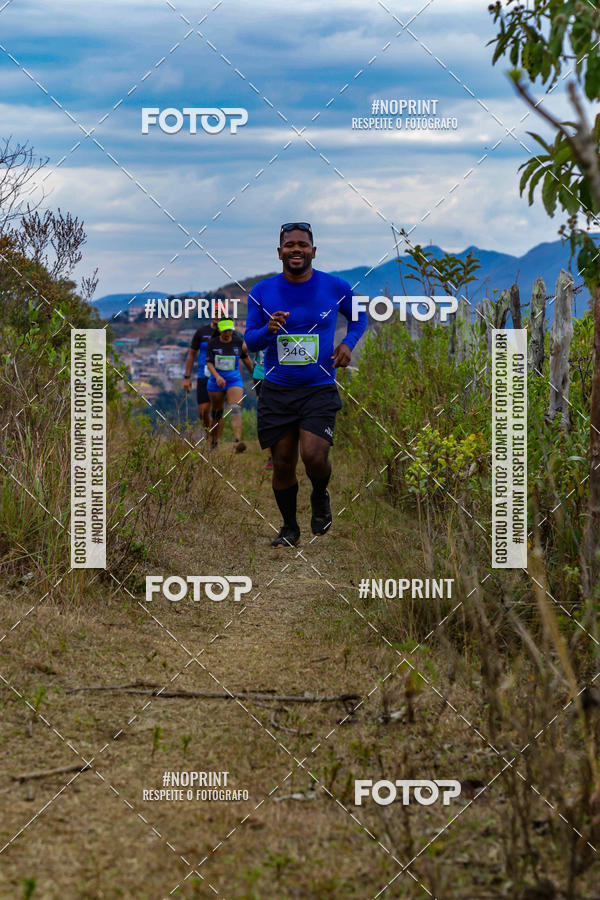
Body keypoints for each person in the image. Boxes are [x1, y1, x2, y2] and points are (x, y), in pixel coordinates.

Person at [244, 222, 367, 546]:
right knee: (283, 464)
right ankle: (289, 528)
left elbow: (359, 317)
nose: (295, 249)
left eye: (302, 244)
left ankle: (319, 494)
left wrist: (347, 343)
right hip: (277, 391)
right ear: (279, 252)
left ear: (313, 250)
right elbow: (250, 341)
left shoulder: (335, 286)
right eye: (289, 245)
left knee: (314, 455)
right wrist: (268, 330)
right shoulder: (262, 292)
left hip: (319, 388)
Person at [206, 318, 253, 452]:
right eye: (225, 330)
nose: (227, 333)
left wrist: (254, 376)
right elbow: (209, 363)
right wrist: (217, 377)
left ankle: (238, 441)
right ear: (220, 330)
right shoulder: (213, 343)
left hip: (234, 381)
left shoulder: (238, 341)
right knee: (217, 414)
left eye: (230, 330)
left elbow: (246, 360)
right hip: (216, 382)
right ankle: (215, 442)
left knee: (235, 408)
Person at [182, 316, 218, 438]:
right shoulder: (201, 332)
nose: (218, 316)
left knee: (217, 410)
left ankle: (214, 440)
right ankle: (208, 435)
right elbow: (191, 355)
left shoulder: (228, 331)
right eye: (216, 312)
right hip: (203, 375)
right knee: (203, 412)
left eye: (221, 313)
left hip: (221, 377)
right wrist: (187, 377)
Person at [252, 349, 273, 470]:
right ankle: (271, 456)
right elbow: (247, 346)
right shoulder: (259, 329)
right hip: (260, 375)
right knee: (267, 415)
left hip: (283, 374)